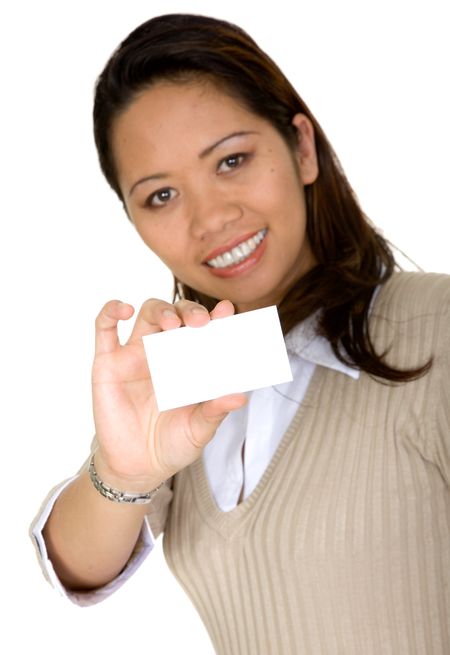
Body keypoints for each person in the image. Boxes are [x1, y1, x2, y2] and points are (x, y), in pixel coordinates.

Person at [30, 13, 450, 654]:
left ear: (302, 149)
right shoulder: (196, 372)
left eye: (231, 160)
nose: (212, 219)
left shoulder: (438, 331)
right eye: (162, 196)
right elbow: (77, 569)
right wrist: (124, 467)